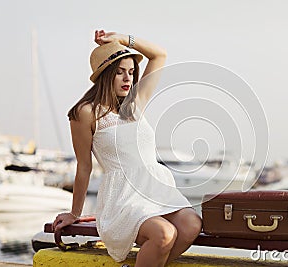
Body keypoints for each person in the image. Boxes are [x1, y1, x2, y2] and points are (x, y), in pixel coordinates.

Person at [53, 30, 202, 267]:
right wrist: (75, 213)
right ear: (105, 74)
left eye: (131, 72)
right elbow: (84, 166)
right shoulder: (86, 112)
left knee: (192, 224)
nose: (127, 79)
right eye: (120, 72)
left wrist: (124, 39)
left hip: (156, 190)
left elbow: (159, 55)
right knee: (164, 234)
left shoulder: (135, 104)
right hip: (123, 198)